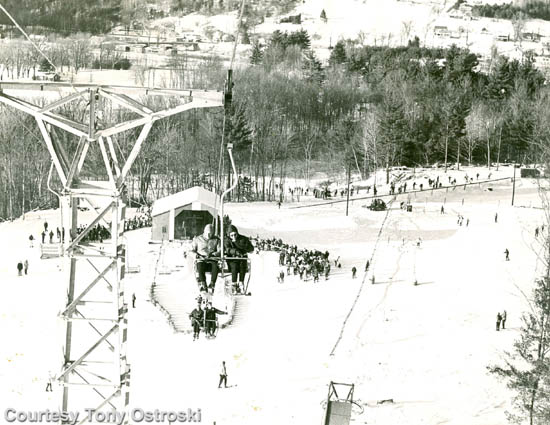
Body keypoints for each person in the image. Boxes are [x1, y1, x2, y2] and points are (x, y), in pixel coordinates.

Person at [225, 225, 254, 294]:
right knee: (234, 267)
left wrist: (239, 244)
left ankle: (241, 283)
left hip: (241, 258)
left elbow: (251, 249)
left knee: (242, 265)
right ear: (229, 235)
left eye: (235, 234)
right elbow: (228, 249)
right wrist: (236, 252)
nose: (234, 237)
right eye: (232, 235)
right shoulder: (227, 240)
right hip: (232, 258)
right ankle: (234, 284)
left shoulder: (242, 239)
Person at [192, 224, 220, 292]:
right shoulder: (198, 239)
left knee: (215, 266)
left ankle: (212, 284)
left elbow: (220, 250)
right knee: (200, 266)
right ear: (204, 232)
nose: (209, 235)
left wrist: (214, 254)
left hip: (212, 258)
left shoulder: (216, 240)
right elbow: (192, 250)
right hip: (202, 258)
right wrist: (196, 255)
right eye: (208, 233)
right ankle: (203, 284)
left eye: (211, 233)